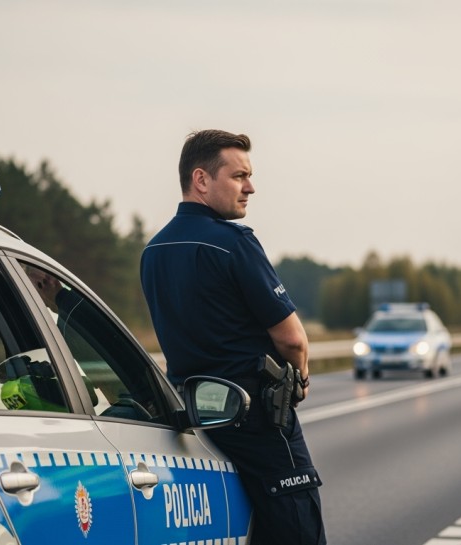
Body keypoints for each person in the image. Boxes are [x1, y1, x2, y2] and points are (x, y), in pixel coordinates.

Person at [140, 129, 326, 545]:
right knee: (297, 526)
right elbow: (292, 339)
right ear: (201, 180)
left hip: (191, 415)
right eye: (239, 176)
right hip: (255, 417)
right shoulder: (234, 243)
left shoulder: (154, 250)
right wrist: (299, 379)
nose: (250, 187)